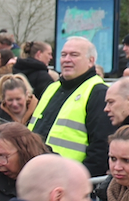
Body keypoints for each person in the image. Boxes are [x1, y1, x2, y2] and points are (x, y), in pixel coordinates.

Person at [30, 37, 112, 177]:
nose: (67, 59)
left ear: (91, 61)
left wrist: (79, 181)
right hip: (38, 174)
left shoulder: (98, 92)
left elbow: (101, 149)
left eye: (74, 55)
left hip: (69, 181)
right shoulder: (52, 88)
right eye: (63, 55)